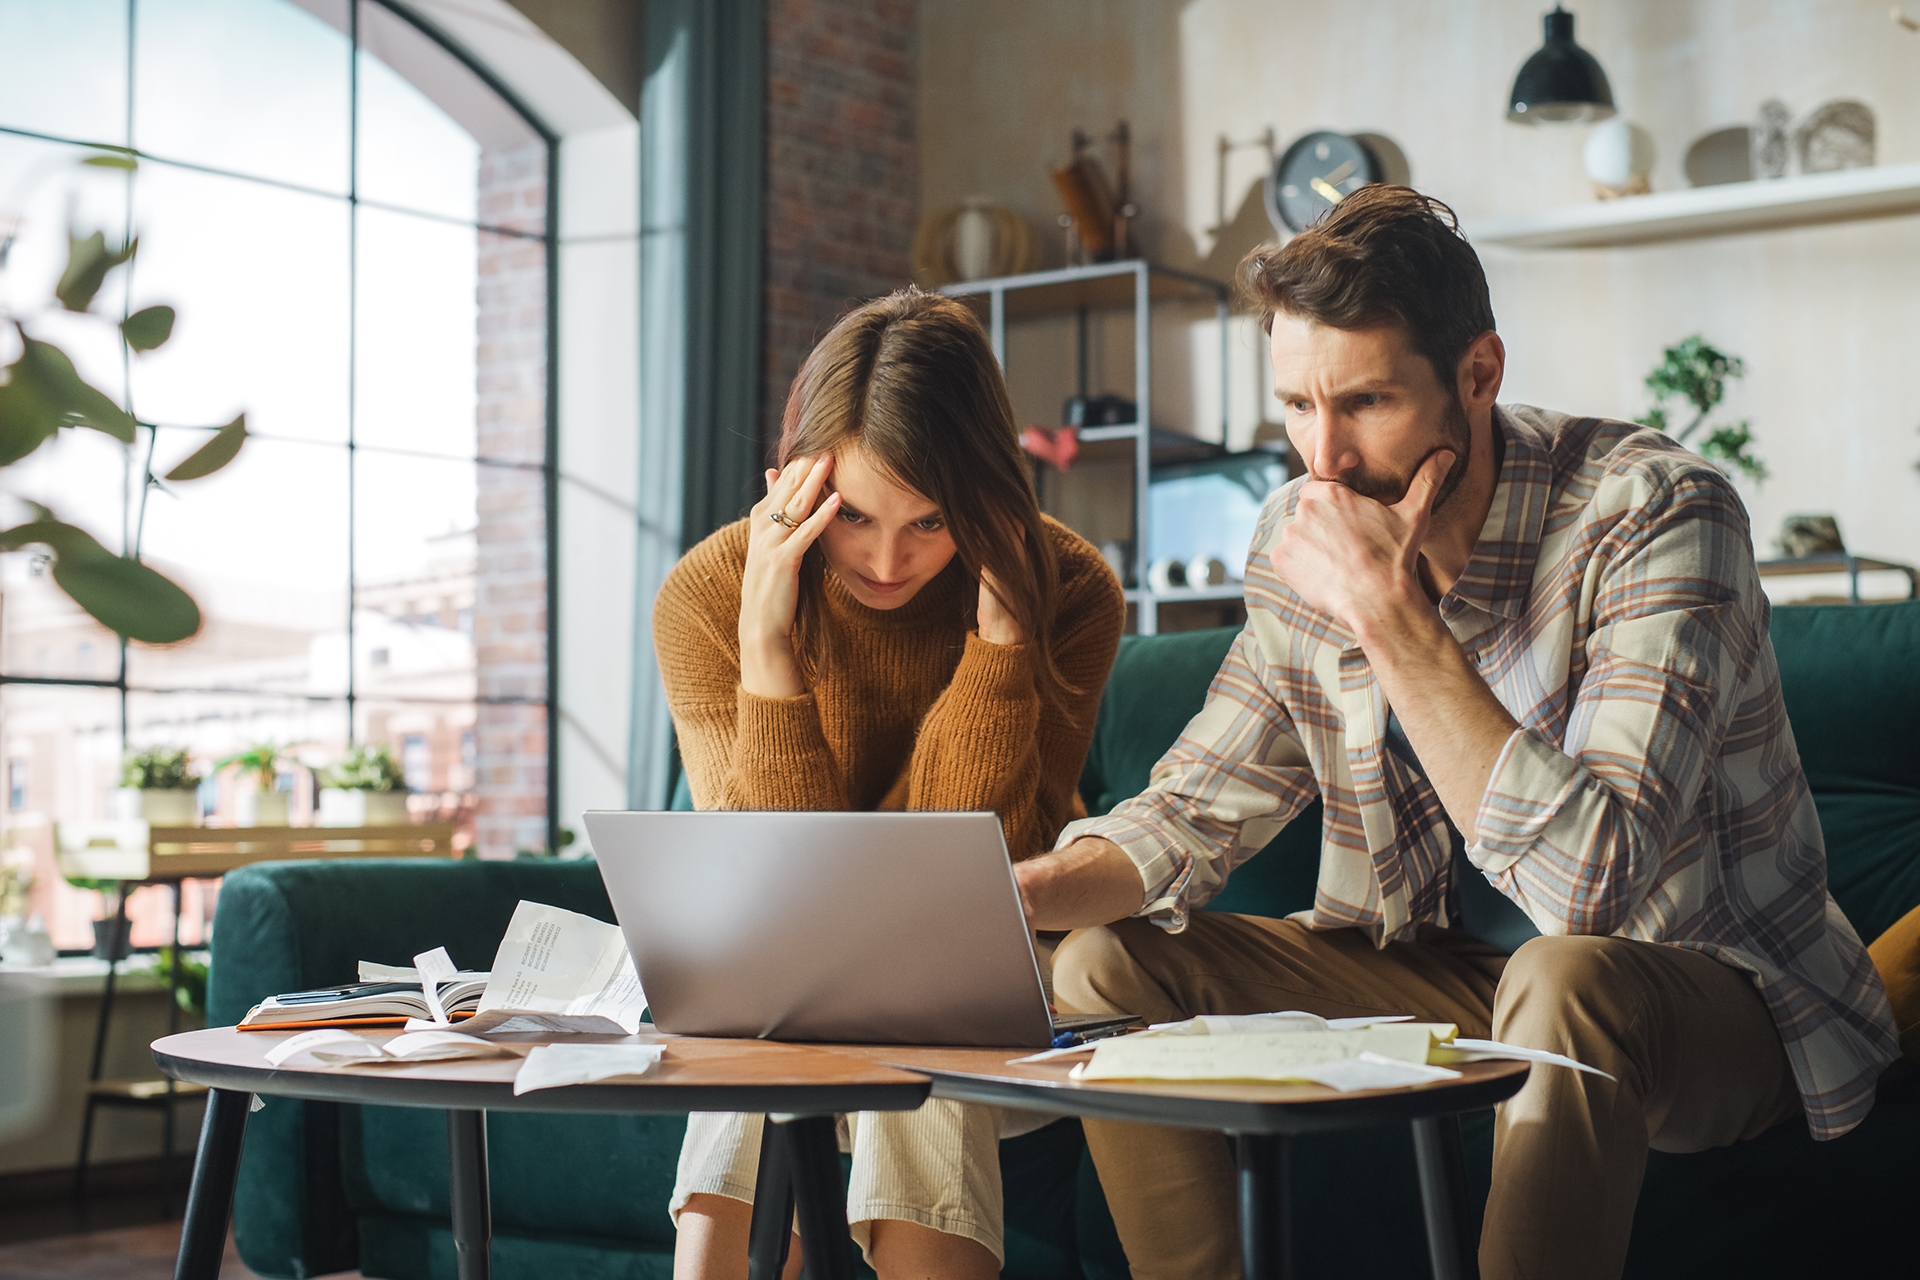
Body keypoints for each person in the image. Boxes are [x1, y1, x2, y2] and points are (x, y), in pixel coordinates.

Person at [1012, 186, 1900, 1280]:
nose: (1321, 461)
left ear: (1478, 372)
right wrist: (1018, 898)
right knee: (1104, 963)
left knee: (1566, 979)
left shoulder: (1657, 514)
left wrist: (1390, 616)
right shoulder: (1305, 530)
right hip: (1443, 969)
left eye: (1366, 402)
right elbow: (1195, 804)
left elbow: (1592, 890)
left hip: (1709, 987)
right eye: (1295, 406)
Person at [652, 287, 1126, 1280]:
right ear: (787, 487)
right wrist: (767, 645)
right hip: (790, 978)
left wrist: (1002, 644)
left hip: (997, 974)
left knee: (919, 995)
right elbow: (771, 882)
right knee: (761, 1021)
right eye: (853, 516)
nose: (883, 559)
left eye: (931, 522)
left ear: (992, 500)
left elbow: (967, 875)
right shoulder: (709, 590)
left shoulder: (1068, 588)